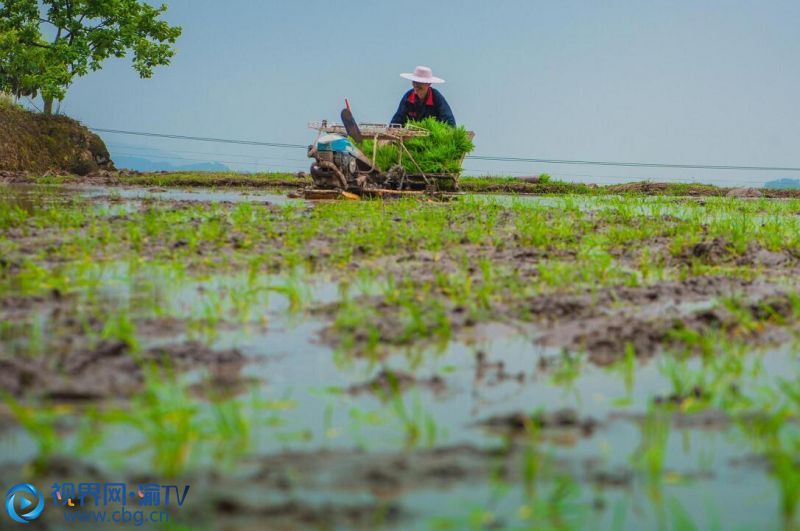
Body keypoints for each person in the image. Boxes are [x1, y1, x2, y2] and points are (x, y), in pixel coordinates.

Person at [390, 66, 456, 127]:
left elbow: (450, 123)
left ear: (429, 84)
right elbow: (396, 121)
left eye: (420, 84)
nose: (416, 87)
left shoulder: (436, 97)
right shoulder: (408, 97)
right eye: (414, 83)